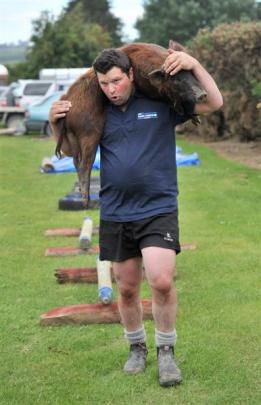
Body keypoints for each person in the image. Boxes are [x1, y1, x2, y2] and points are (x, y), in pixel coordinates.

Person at [49, 47, 223, 387]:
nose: (112, 89)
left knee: (160, 280)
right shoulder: (99, 114)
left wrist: (195, 64)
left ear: (130, 75)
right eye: (104, 84)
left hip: (158, 208)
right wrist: (56, 123)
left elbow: (213, 102)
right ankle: (136, 347)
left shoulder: (161, 104)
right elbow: (71, 150)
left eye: (116, 81)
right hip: (116, 212)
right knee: (127, 289)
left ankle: (166, 351)